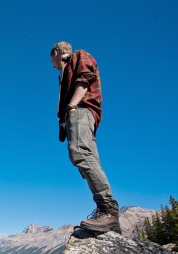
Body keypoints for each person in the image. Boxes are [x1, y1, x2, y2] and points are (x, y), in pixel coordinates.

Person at [50, 41, 121, 234]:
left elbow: (85, 79)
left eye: (52, 60)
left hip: (82, 111)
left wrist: (71, 106)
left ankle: (108, 210)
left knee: (80, 153)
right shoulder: (64, 72)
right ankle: (107, 216)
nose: (53, 65)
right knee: (87, 159)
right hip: (78, 114)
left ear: (57, 52)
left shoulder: (79, 55)